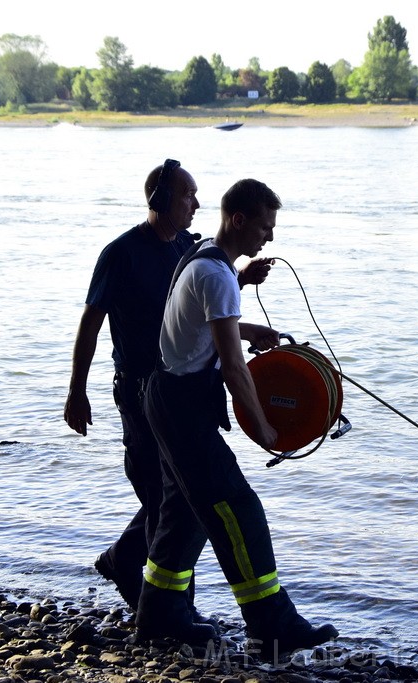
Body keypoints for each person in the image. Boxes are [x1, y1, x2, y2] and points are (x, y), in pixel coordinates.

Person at [138, 179, 338, 660]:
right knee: (237, 508)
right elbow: (232, 366)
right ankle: (272, 626)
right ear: (239, 220)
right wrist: (264, 427)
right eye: (265, 226)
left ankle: (159, 614)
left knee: (184, 512)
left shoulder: (206, 256)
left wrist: (252, 328)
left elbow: (208, 329)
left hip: (164, 395)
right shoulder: (218, 276)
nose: (268, 237)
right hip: (182, 406)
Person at [64, 160, 271, 615]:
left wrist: (241, 284)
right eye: (186, 196)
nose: (196, 204)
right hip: (138, 391)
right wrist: (77, 390)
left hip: (175, 388)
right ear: (159, 199)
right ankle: (158, 599)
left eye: (197, 195)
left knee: (181, 493)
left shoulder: (185, 248)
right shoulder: (121, 253)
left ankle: (131, 567)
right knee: (165, 496)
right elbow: (90, 323)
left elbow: (197, 317)